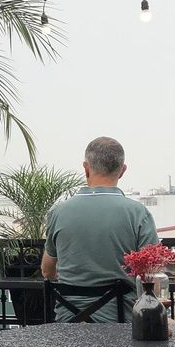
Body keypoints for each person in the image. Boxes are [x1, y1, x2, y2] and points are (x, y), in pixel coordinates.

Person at [41, 137, 159, 323]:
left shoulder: (58, 212)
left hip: (68, 325)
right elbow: (152, 274)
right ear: (122, 170)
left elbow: (47, 271)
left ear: (86, 168)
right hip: (121, 325)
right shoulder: (138, 214)